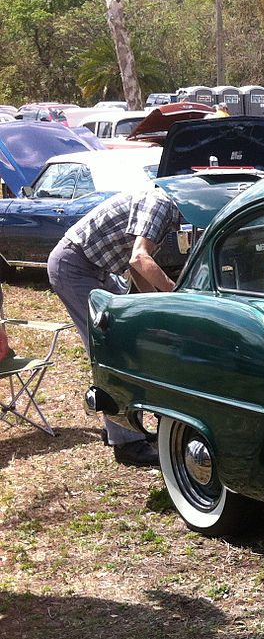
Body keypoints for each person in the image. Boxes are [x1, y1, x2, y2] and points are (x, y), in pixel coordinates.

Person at [48, 186, 182, 466]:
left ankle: (123, 425)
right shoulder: (160, 205)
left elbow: (135, 267)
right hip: (74, 267)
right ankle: (127, 444)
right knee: (111, 349)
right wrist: (176, 296)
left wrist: (156, 306)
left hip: (95, 268)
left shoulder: (166, 208)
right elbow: (139, 259)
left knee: (127, 336)